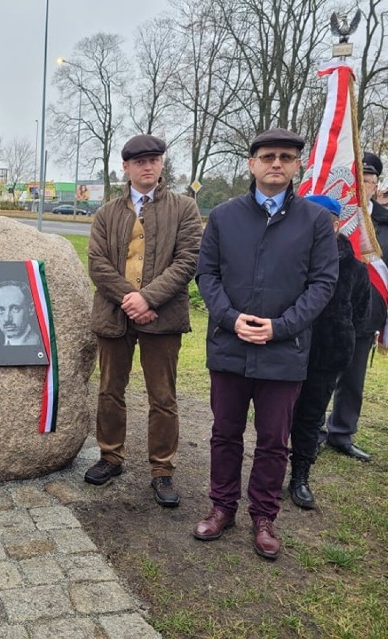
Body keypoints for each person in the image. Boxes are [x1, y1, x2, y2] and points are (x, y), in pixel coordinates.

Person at [193, 128, 338, 559]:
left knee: (274, 440)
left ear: (298, 166)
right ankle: (222, 507)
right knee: (225, 434)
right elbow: (208, 275)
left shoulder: (314, 222)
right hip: (230, 347)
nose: (277, 163)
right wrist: (232, 318)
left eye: (286, 157)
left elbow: (323, 283)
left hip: (284, 352)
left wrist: (280, 327)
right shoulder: (223, 217)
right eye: (268, 156)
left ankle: (264, 516)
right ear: (251, 163)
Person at [84, 134, 202, 508]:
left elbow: (189, 260)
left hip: (162, 316)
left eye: (154, 159)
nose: (147, 166)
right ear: (126, 167)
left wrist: (148, 298)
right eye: (139, 161)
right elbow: (98, 264)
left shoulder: (184, 208)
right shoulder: (106, 213)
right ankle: (110, 456)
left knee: (163, 397)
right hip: (114, 315)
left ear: (162, 164)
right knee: (109, 391)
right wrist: (129, 299)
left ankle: (162, 469)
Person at [320, 151, 388, 461]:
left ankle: (341, 432)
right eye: (359, 181)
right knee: (319, 371)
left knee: (354, 377)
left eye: (368, 181)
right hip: (326, 310)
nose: (364, 186)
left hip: (366, 312)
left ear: (375, 185)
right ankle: (313, 426)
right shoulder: (331, 218)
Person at [288, 195, 371, 509]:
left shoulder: (353, 268)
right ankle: (269, 469)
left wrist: (339, 337)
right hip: (286, 348)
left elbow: (360, 313)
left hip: (326, 355)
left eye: (326, 221)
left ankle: (300, 476)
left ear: (337, 224)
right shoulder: (289, 258)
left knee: (310, 418)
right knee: (280, 415)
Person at [0, 280, 42, 346]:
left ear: (31, 309)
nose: (7, 319)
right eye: (1, 310)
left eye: (15, 309)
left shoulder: (38, 343)